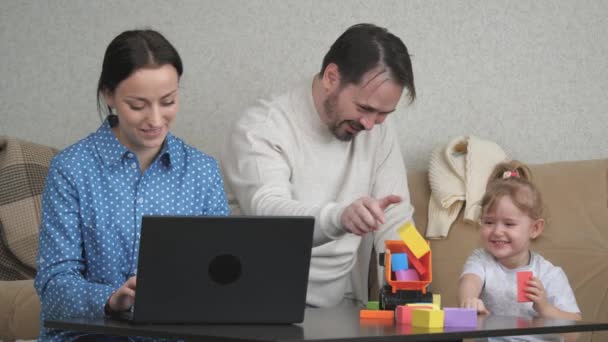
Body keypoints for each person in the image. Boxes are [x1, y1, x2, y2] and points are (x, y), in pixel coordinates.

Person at [34, 29, 230, 341]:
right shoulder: (71, 169)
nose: (155, 119)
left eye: (168, 101)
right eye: (138, 105)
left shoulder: (202, 171)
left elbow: (222, 273)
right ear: (108, 95)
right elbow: (53, 286)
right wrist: (111, 299)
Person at [221, 23, 416, 308]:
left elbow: (396, 222)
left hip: (341, 306)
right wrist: (341, 218)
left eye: (384, 113)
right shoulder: (260, 128)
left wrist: (410, 296)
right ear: (331, 77)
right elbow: (268, 213)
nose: (370, 124)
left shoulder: (378, 131)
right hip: (259, 304)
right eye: (364, 108)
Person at [458, 161, 581, 341]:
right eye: (489, 222)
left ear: (535, 228)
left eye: (509, 224)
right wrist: (468, 300)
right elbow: (469, 281)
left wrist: (545, 308)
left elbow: (575, 333)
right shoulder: (481, 260)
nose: (497, 231)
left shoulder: (549, 274)